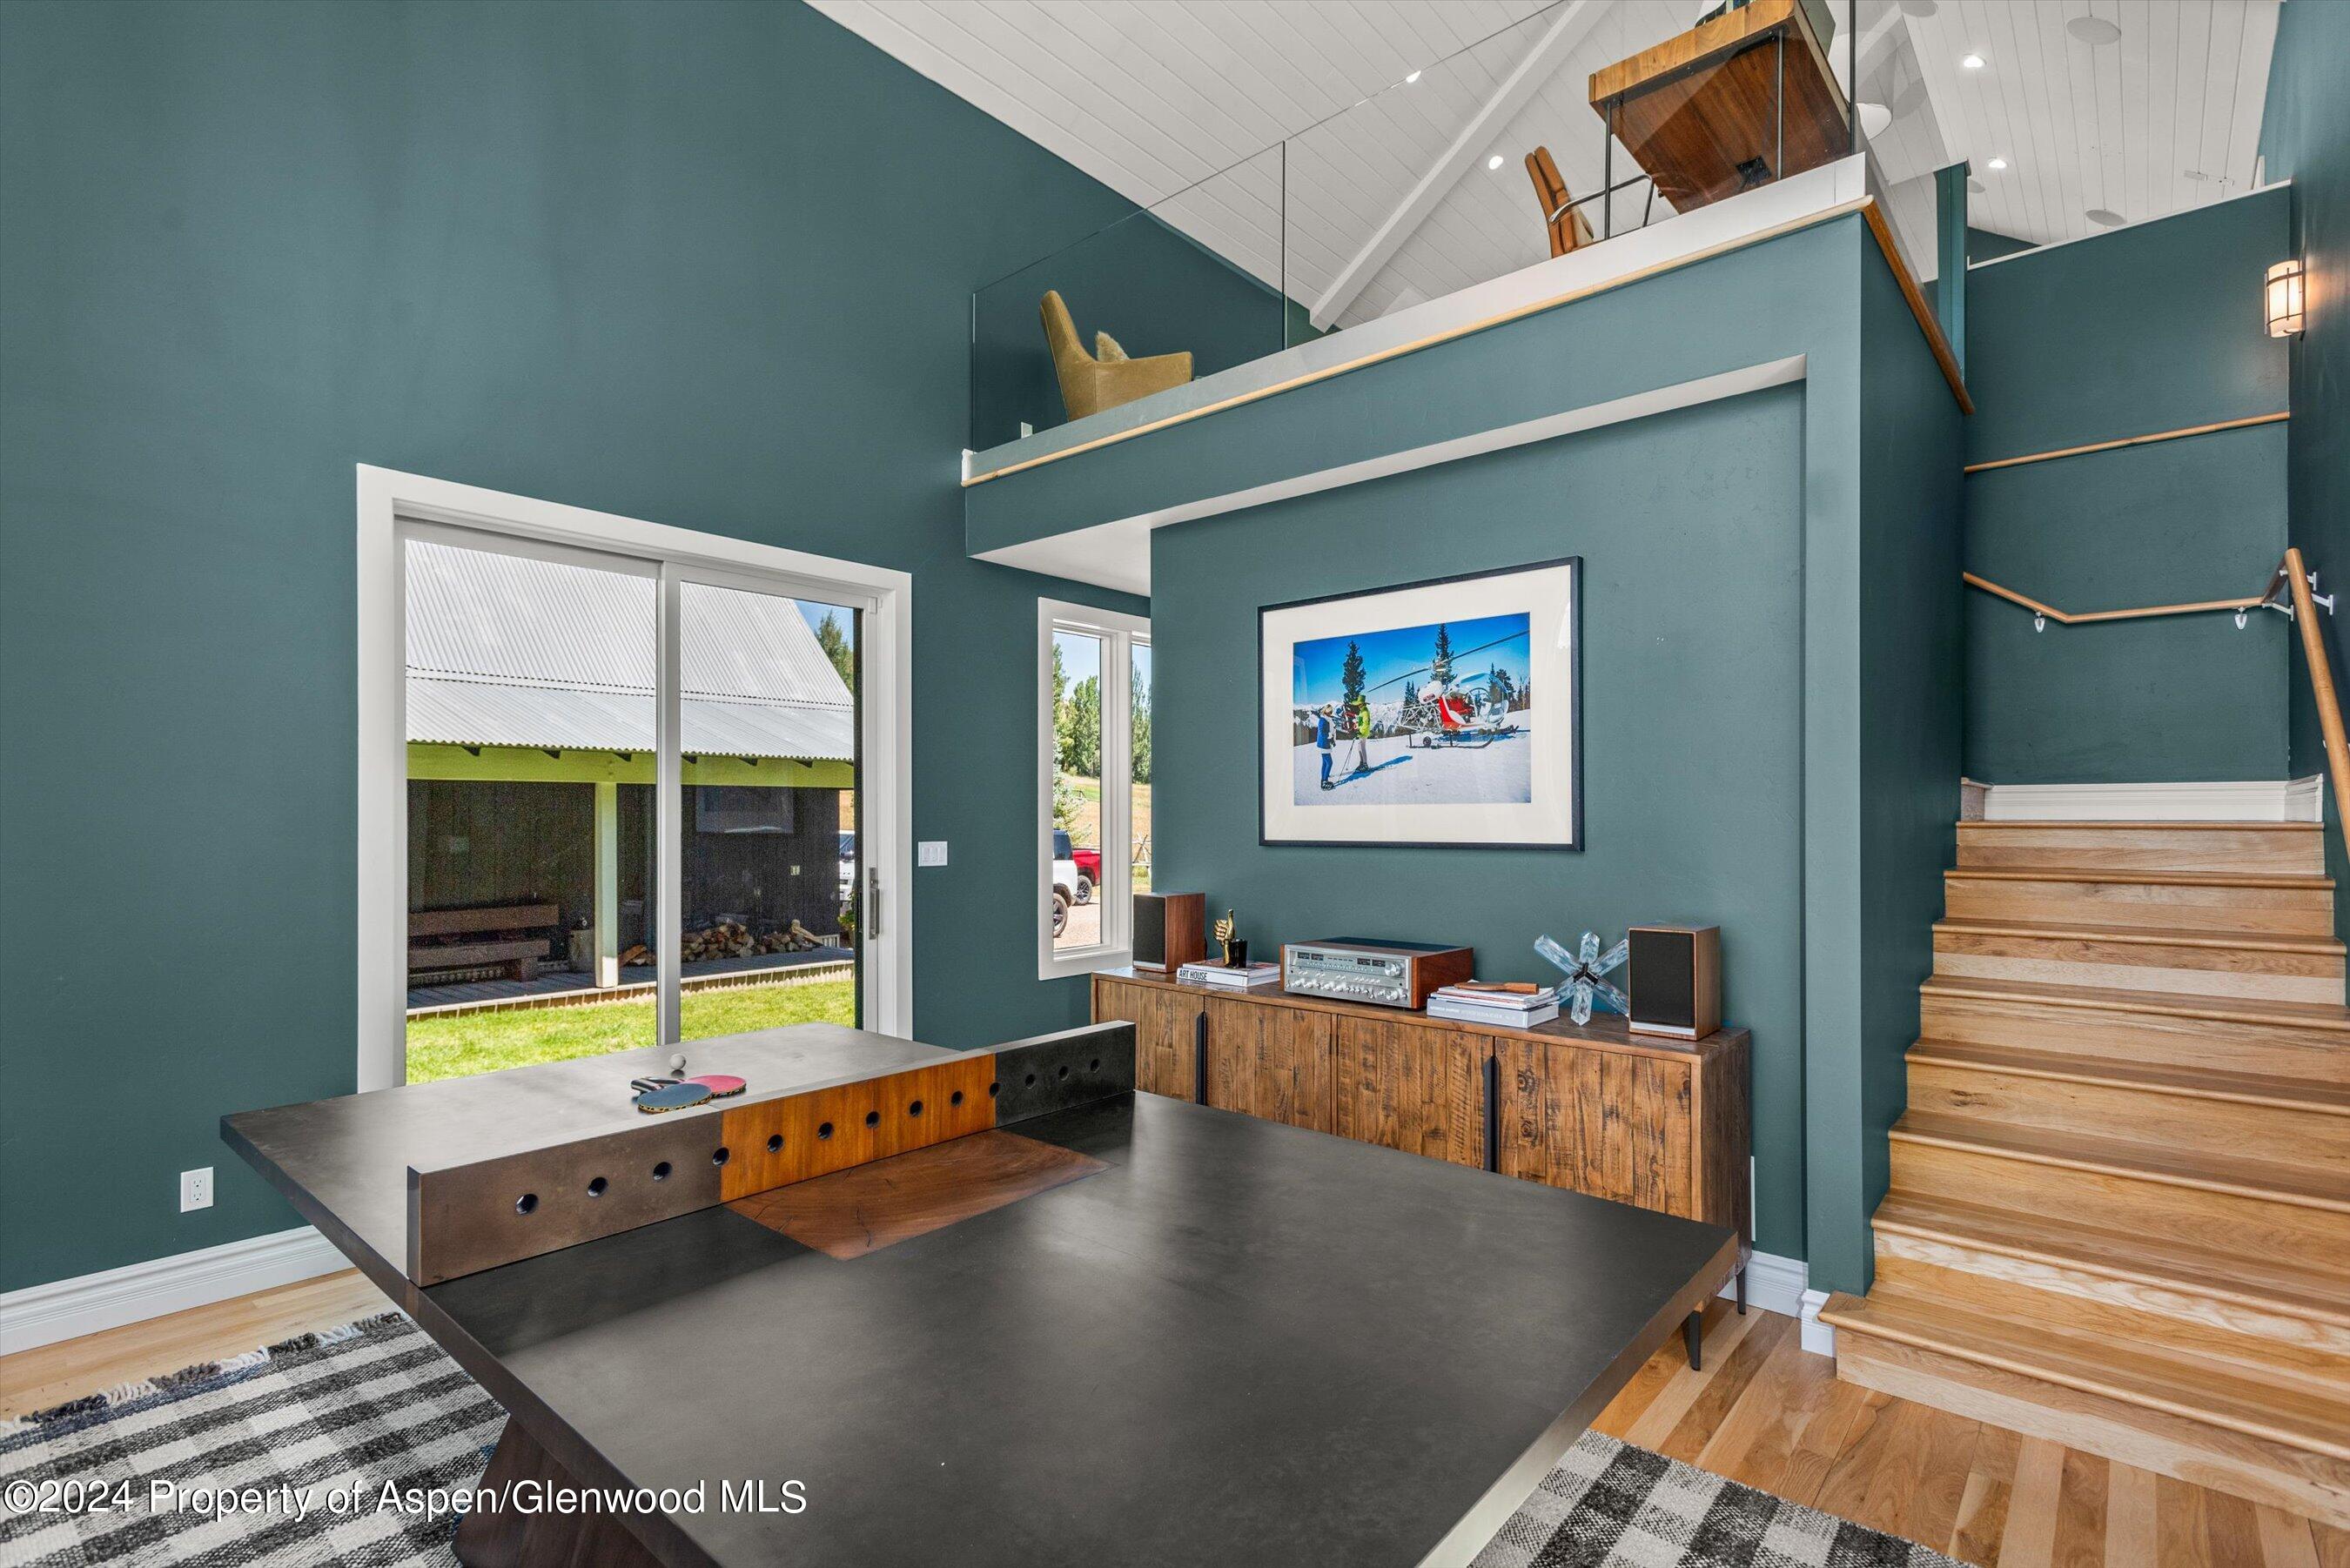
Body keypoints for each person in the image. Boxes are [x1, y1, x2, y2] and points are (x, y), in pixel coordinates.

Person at [1344, 694, 1373, 776]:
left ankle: (1365, 764)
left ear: (1363, 703)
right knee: (1359, 747)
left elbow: (1366, 724)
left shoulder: (1365, 712)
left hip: (1364, 732)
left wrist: (1360, 731)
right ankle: (1362, 763)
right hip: (1361, 731)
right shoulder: (1362, 711)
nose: (1358, 705)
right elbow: (1361, 722)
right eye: (1358, 704)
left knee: (1362, 747)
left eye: (1359, 704)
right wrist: (1357, 725)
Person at [1313, 702, 1336, 790]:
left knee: (1325, 763)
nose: (1331, 713)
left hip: (1326, 743)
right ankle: (1324, 782)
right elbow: (1322, 732)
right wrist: (1330, 735)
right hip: (1324, 744)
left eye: (1331, 712)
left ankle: (1324, 780)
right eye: (1330, 712)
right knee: (1329, 763)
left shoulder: (1327, 718)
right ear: (1326, 712)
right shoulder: (1323, 720)